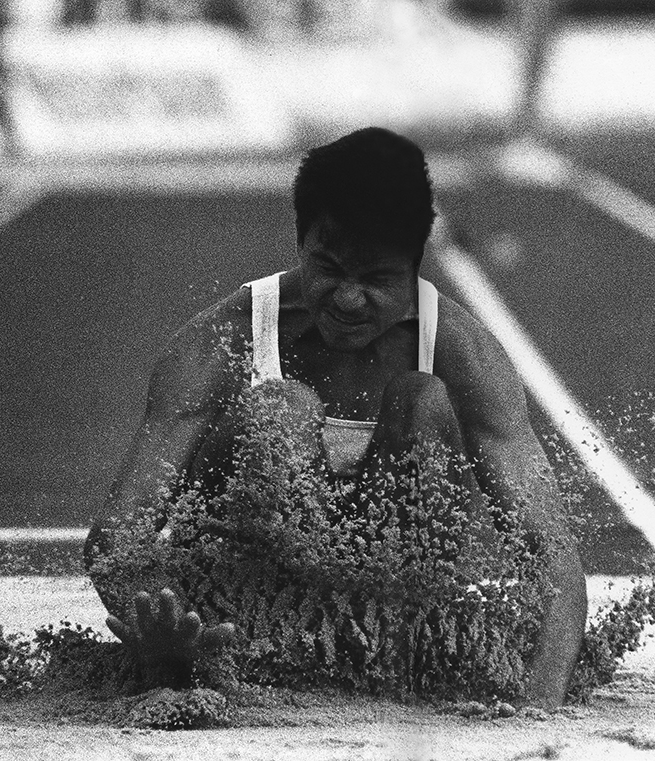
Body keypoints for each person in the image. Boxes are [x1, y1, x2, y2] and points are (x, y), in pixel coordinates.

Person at [85, 127, 587, 708]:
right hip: (243, 618)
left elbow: (552, 551)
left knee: (424, 401)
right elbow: (116, 538)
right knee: (281, 409)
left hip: (393, 621)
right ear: (301, 245)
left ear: (414, 266)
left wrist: (540, 702)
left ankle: (391, 649)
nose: (348, 300)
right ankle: (254, 653)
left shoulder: (463, 351)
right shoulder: (223, 340)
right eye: (329, 269)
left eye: (376, 280)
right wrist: (159, 623)